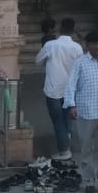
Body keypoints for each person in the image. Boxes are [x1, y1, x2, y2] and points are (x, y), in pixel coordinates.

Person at [64, 31, 98, 193]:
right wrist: (71, 105)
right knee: (87, 148)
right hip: (87, 112)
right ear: (88, 46)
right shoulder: (80, 63)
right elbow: (70, 84)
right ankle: (88, 180)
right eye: (94, 44)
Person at [35, 17, 81, 161]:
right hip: (70, 90)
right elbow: (80, 69)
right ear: (73, 30)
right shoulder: (77, 48)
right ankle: (66, 139)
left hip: (53, 90)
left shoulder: (50, 45)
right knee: (67, 119)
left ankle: (64, 150)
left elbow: (37, 60)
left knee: (58, 121)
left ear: (60, 28)